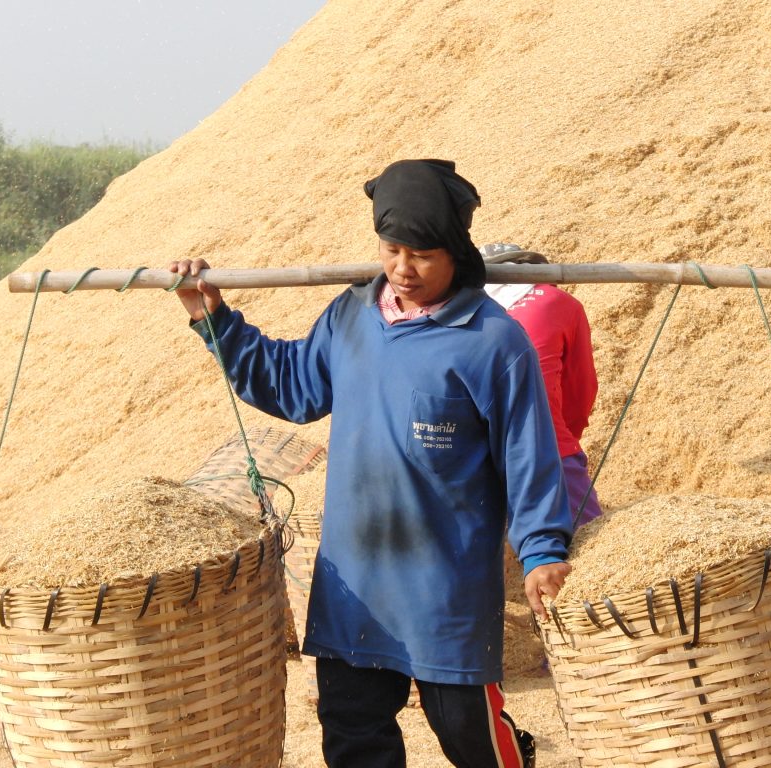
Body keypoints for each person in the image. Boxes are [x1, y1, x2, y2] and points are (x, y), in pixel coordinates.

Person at [169, 159, 573, 768]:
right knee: (353, 732)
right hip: (355, 578)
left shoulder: (493, 342)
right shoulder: (351, 315)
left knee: (467, 731)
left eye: (423, 255)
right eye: (391, 250)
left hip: (446, 584)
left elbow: (528, 457)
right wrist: (212, 320)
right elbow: (293, 385)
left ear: (456, 254)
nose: (403, 268)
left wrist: (542, 552)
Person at [482, 244, 603, 528]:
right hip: (546, 446)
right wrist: (566, 439)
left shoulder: (457, 308)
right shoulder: (559, 301)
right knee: (591, 539)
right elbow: (580, 390)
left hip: (468, 452)